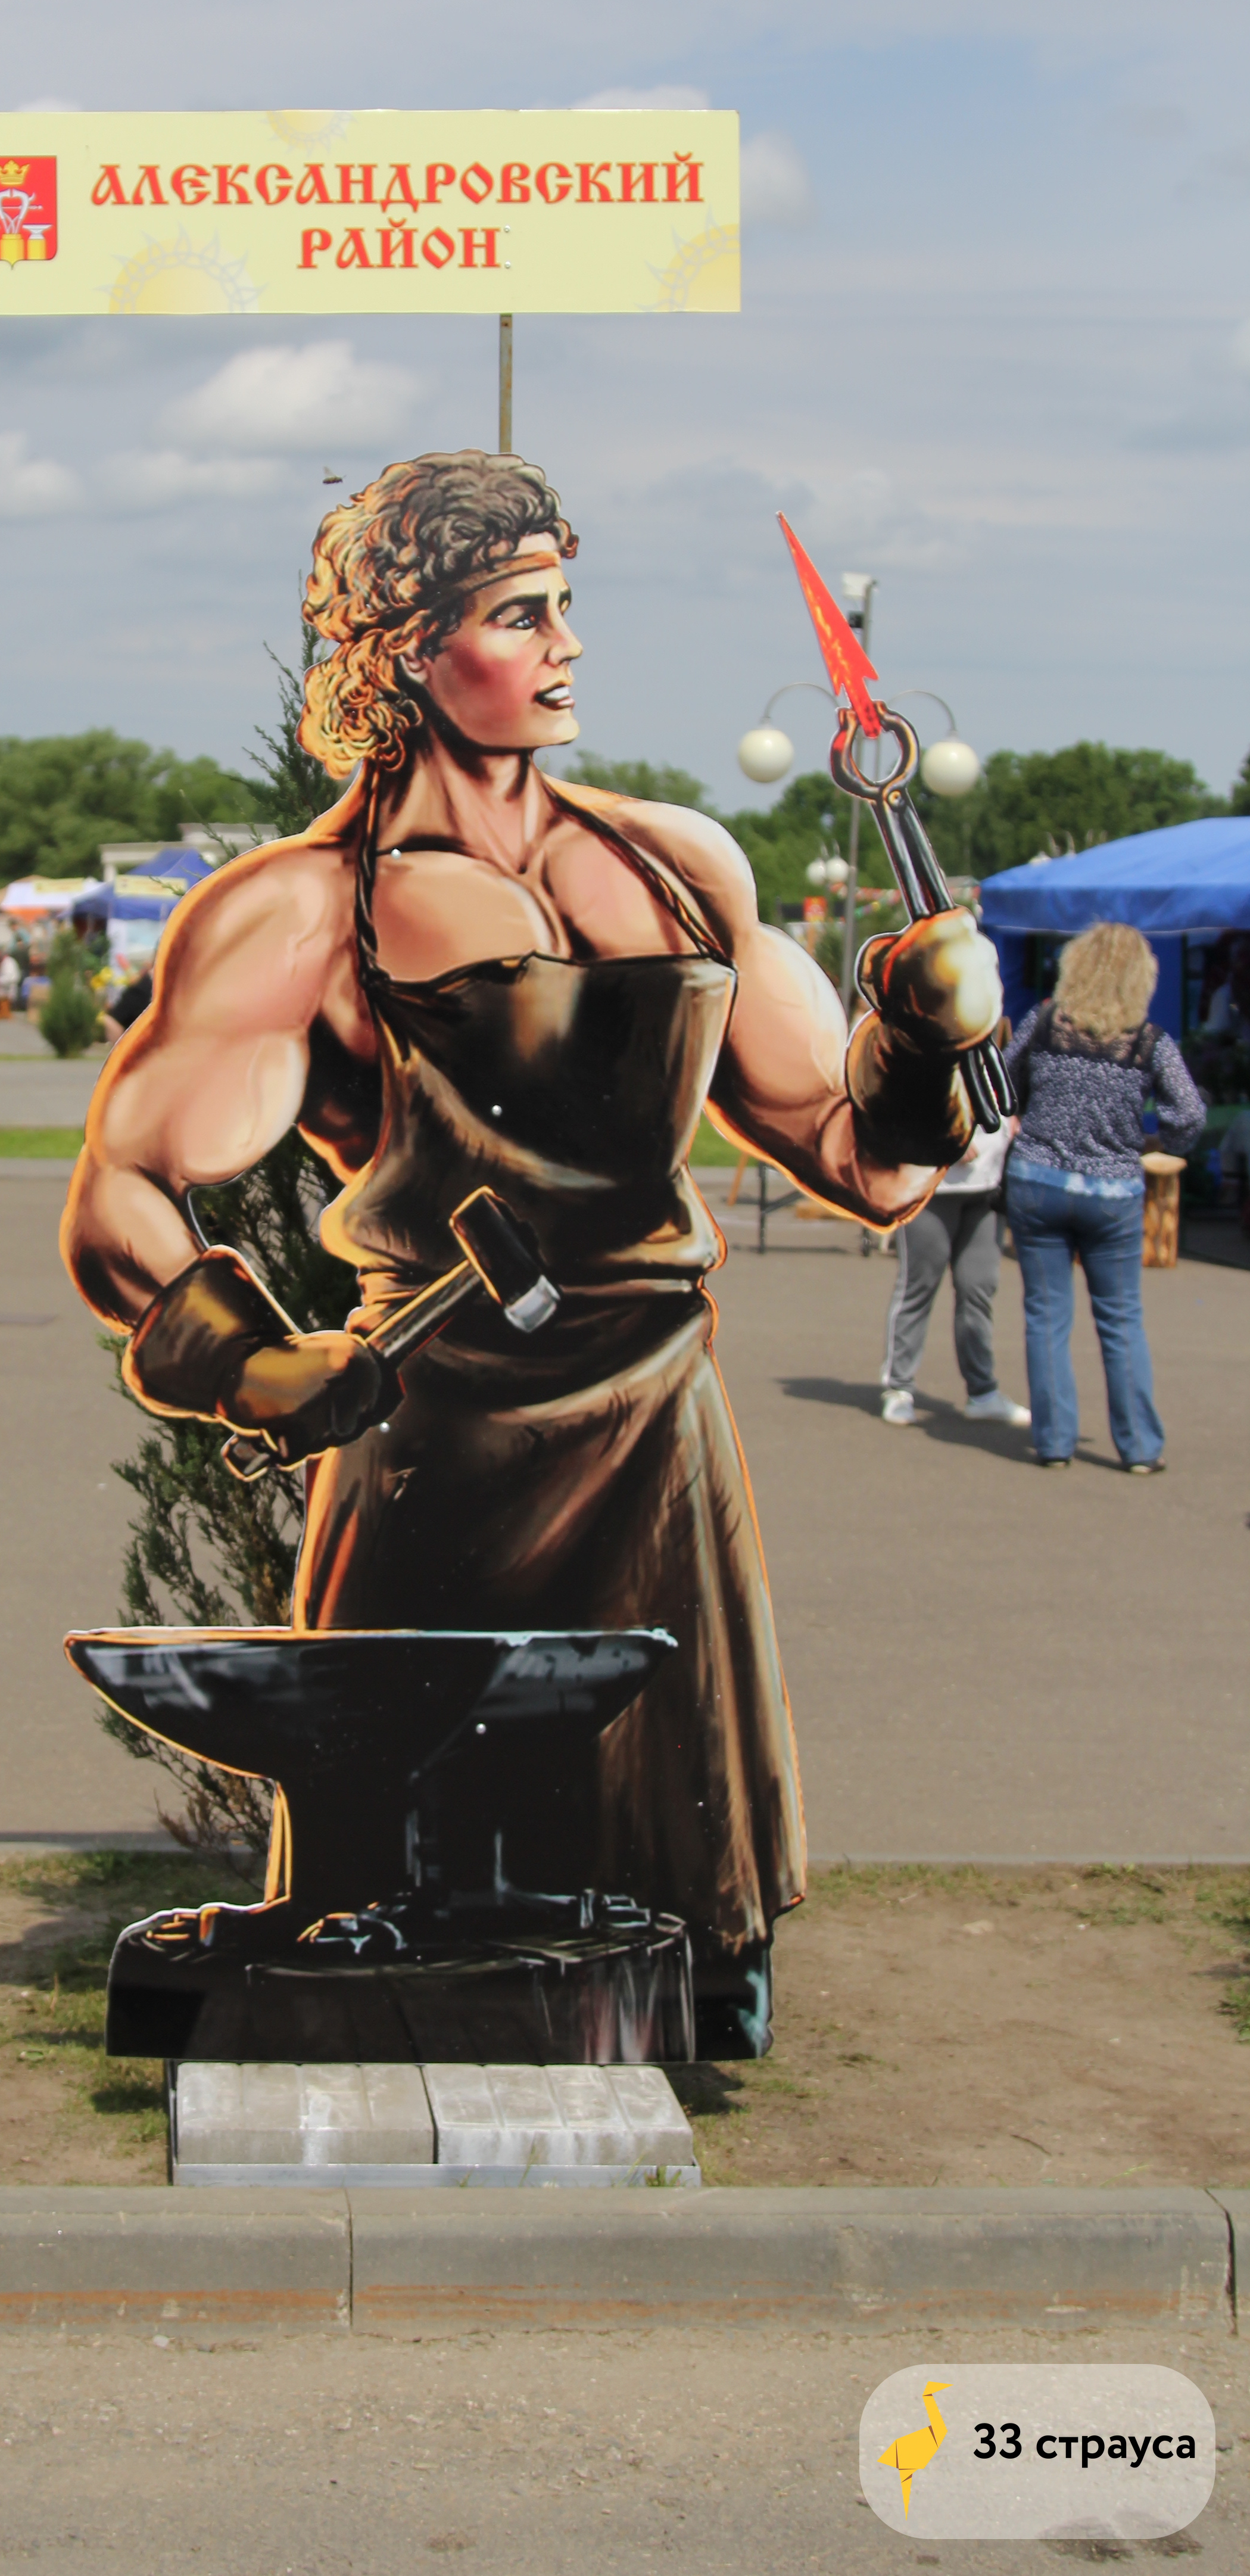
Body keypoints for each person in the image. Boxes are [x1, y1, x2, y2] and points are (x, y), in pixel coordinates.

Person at [61, 450, 1000, 2055]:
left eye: (565, 604)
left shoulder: (678, 866)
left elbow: (867, 1164)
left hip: (658, 1440)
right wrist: (252, 1358)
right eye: (519, 612)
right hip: (437, 1445)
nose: (566, 643)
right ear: (407, 651)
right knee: (384, 1925)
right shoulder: (305, 913)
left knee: (669, 1937)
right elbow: (123, 1191)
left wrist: (916, 1039)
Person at [1003, 923, 1204, 1473]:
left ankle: (1054, 1443)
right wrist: (1160, 1143)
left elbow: (1003, 1083)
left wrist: (1033, 1106)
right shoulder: (1149, 1041)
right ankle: (1139, 1447)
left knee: (1046, 1315)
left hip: (1038, 1180)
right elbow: (1189, 1114)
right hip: (1112, 1190)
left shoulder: (1044, 1022)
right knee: (1120, 1320)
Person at [877, 1099, 1028, 1427]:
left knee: (978, 1289)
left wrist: (1015, 1119)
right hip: (930, 1185)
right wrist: (946, 1137)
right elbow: (897, 1103)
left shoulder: (1002, 1060)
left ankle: (983, 1392)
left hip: (988, 1185)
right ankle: (899, 1388)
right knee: (918, 1286)